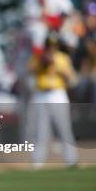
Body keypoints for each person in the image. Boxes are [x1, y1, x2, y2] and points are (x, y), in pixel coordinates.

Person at [27, 35, 79, 168]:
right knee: (40, 130)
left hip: (57, 93)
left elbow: (72, 79)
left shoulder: (62, 58)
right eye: (49, 45)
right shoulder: (38, 57)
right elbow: (29, 70)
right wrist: (42, 62)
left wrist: (58, 67)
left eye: (54, 45)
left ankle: (71, 160)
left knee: (64, 128)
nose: (51, 48)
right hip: (41, 93)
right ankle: (37, 163)